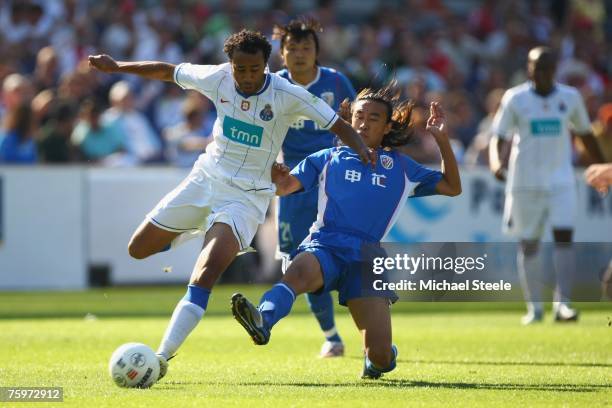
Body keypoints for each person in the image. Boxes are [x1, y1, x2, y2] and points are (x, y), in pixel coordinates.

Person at [87, 29, 375, 381]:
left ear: (266, 66)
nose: (248, 76)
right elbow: (166, 70)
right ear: (231, 65)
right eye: (241, 69)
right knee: (138, 249)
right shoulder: (218, 78)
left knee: (205, 274)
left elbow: (337, 124)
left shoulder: (287, 94)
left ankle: (161, 358)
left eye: (255, 69)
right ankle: (194, 229)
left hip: (246, 198)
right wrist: (117, 67)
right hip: (205, 180)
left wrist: (362, 151)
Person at [231, 86, 461, 379]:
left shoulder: (402, 167)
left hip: (367, 257)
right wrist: (277, 177)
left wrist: (442, 141)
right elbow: (286, 187)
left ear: (388, 126)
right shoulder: (327, 157)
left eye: (373, 118)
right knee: (297, 273)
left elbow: (452, 187)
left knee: (379, 357)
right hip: (325, 243)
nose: (364, 123)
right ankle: (263, 318)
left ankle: (380, 357)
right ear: (349, 121)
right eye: (359, 116)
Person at [489, 46, 604, 325]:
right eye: (536, 67)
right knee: (529, 243)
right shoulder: (515, 98)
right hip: (524, 181)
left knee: (564, 236)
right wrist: (495, 163)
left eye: (547, 67)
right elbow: (499, 136)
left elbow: (585, 134)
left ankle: (563, 304)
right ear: (528, 68)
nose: (541, 72)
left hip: (560, 180)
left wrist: (603, 167)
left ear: (555, 69)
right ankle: (534, 308)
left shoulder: (570, 97)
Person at [274, 18, 356, 358]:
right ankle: (332, 336)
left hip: (331, 182)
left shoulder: (336, 82)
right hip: (293, 184)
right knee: (297, 261)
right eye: (292, 48)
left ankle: (372, 328)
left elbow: (356, 122)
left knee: (346, 258)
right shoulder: (273, 84)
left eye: (306, 48)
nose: (299, 54)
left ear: (317, 53)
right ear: (281, 54)